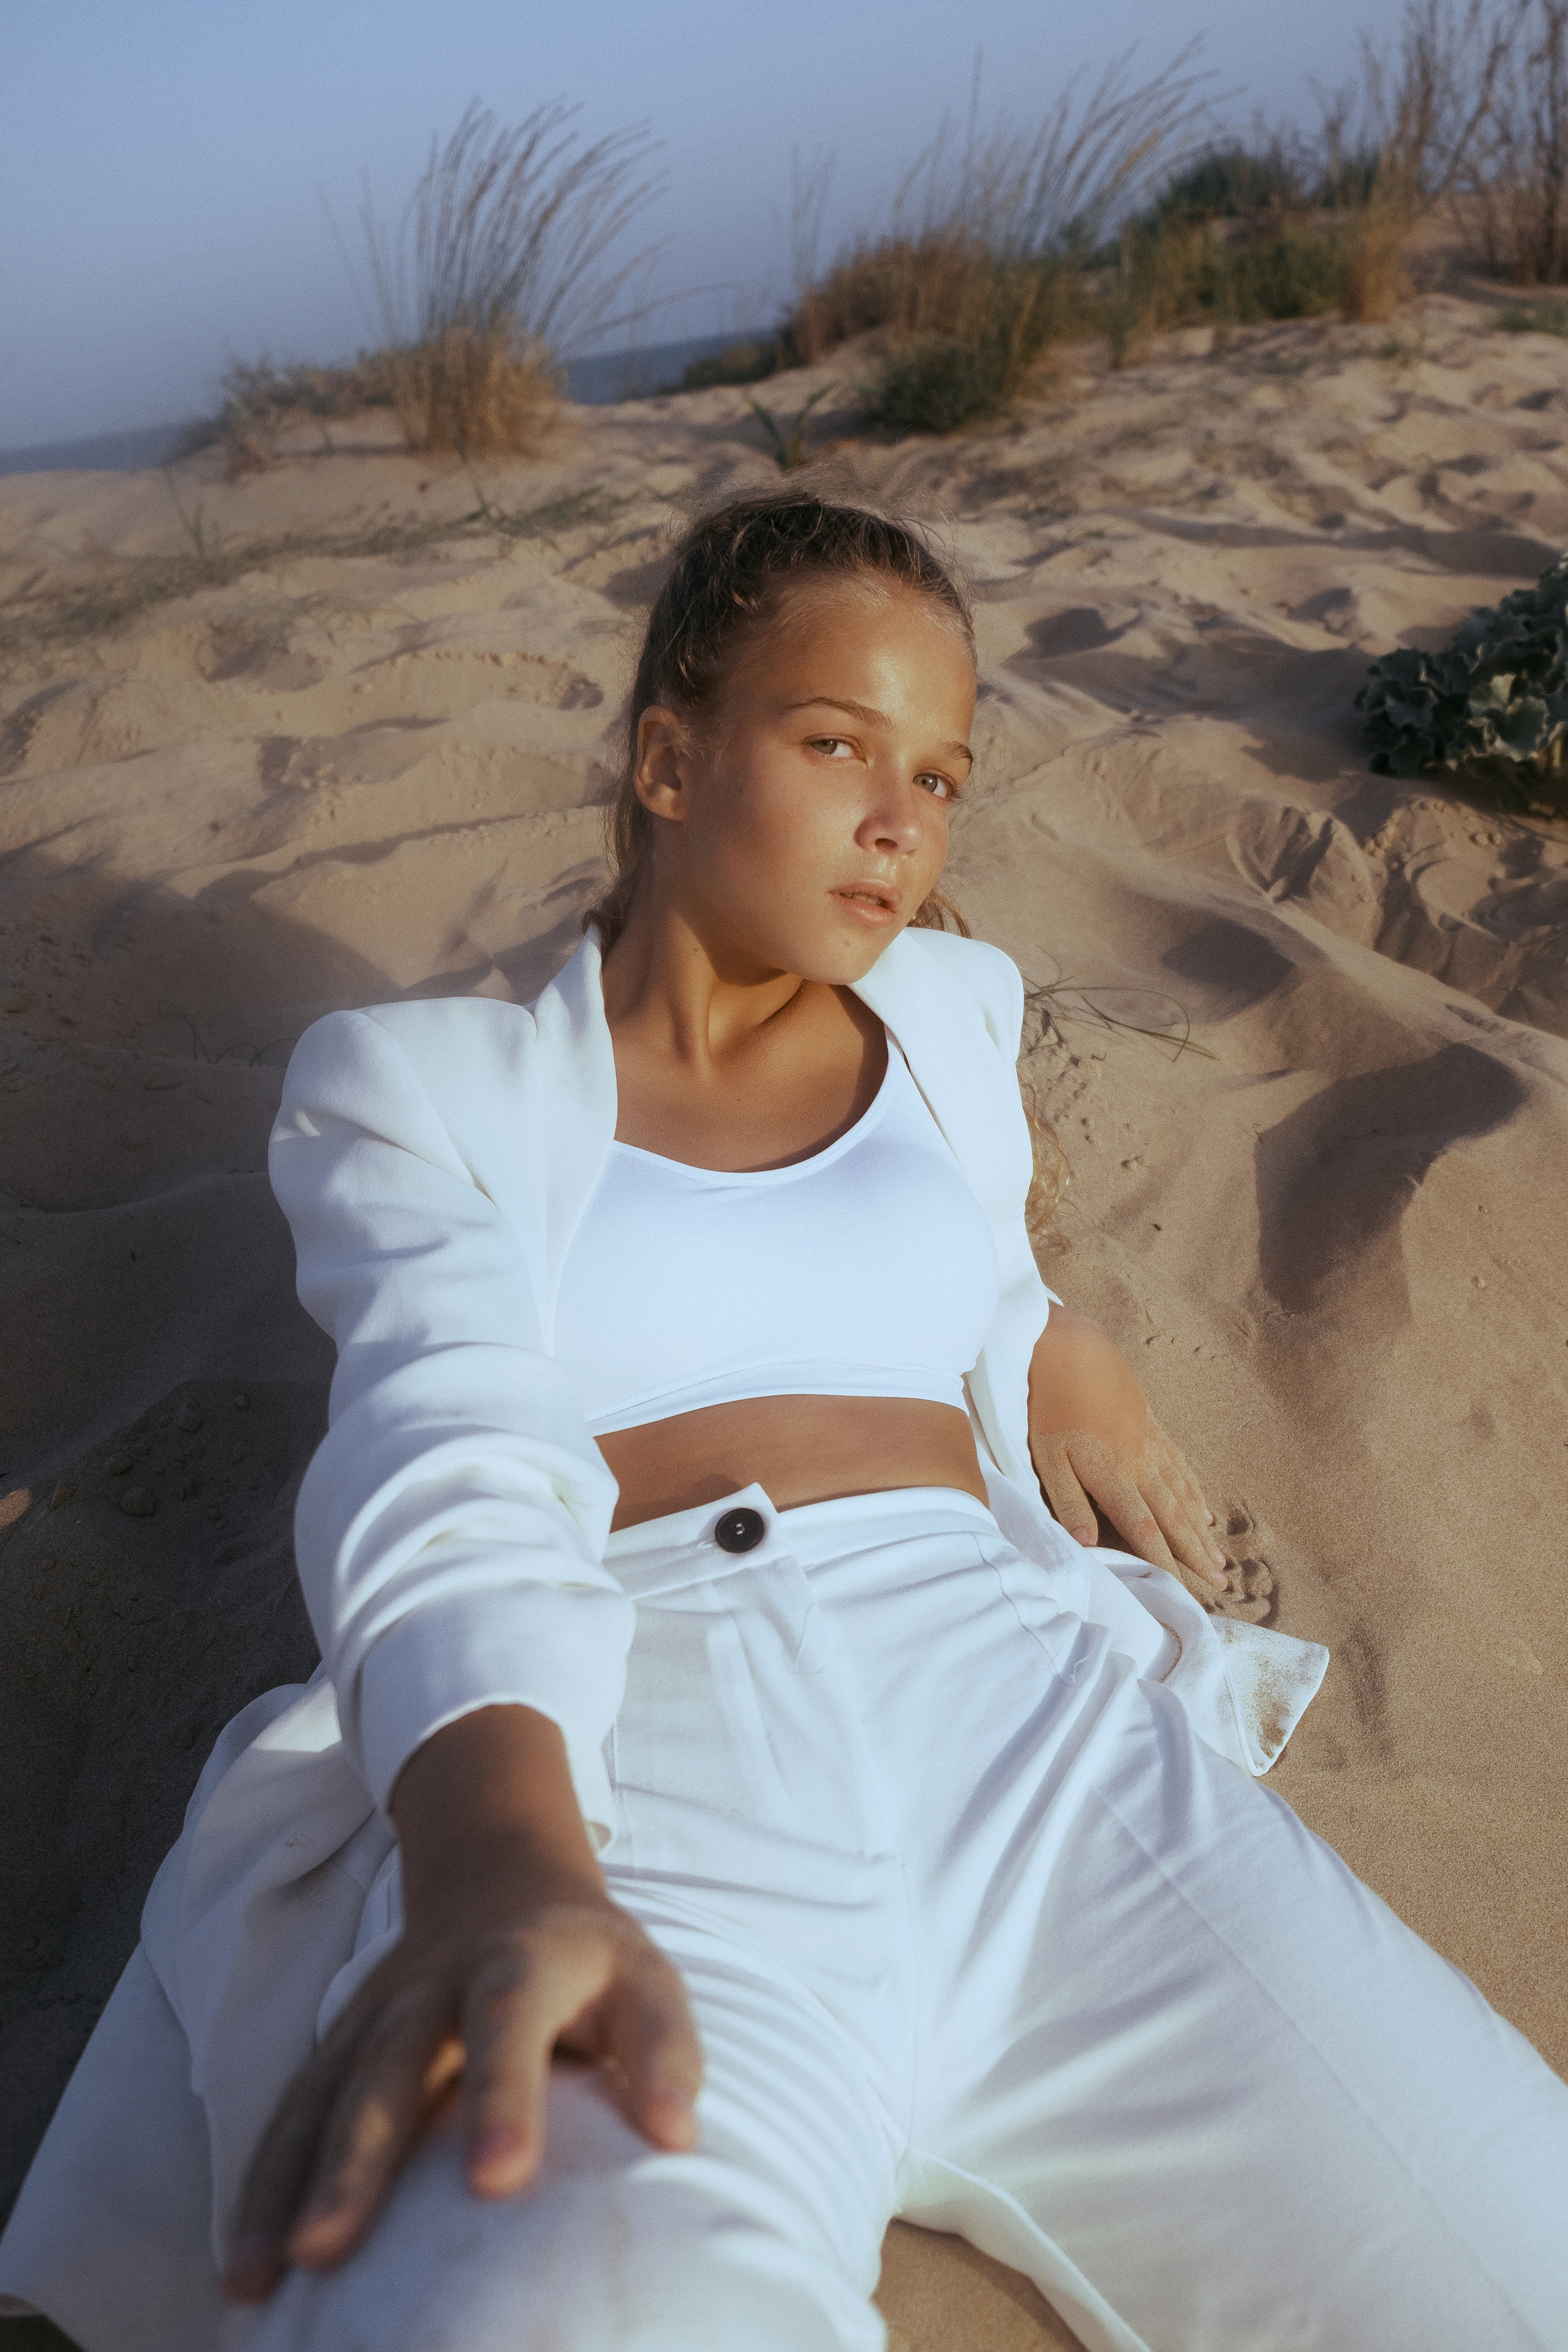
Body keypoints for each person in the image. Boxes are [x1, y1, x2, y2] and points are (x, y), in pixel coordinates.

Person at [2, 491, 1565, 2352]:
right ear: (669, 758)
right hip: (642, 1768)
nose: (900, 816)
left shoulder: (956, 1019)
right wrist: (502, 1856)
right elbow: (441, 1443)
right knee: (541, 2309)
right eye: (837, 746)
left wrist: (1048, 1332)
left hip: (1042, 1754)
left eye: (943, 773)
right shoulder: (431, 1092)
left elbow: (977, 1260)